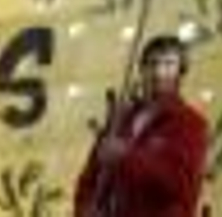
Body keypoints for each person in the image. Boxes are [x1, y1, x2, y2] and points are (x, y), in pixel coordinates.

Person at [74, 34, 209, 217]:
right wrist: (85, 208)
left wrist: (127, 157)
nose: (158, 72)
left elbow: (181, 184)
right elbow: (91, 175)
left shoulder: (190, 123)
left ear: (180, 72)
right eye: (152, 64)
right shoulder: (119, 120)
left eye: (169, 64)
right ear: (141, 69)